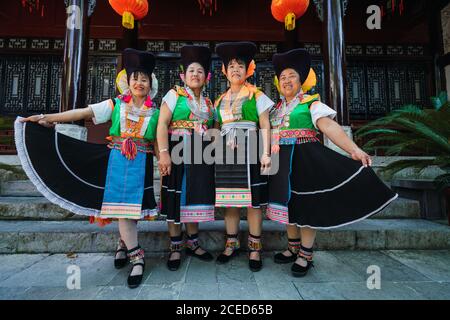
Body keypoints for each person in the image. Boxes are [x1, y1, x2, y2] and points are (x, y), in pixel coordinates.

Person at [16, 48, 160, 288]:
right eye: (135, 78)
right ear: (127, 81)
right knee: (123, 210)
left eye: (144, 79)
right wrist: (48, 117)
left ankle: (123, 244)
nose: (139, 83)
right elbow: (83, 112)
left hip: (141, 164)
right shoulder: (115, 105)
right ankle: (137, 256)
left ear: (150, 84)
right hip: (115, 163)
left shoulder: (155, 112)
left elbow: (158, 142)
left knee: (131, 211)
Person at [267, 48, 398, 277]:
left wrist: (354, 149)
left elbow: (329, 127)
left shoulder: (311, 103)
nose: (287, 81)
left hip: (306, 159)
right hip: (281, 161)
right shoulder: (275, 109)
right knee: (287, 203)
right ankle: (292, 246)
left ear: (302, 81)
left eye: (292, 76)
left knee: (307, 205)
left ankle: (306, 254)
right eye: (283, 77)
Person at [213, 42, 274, 272]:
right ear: (224, 71)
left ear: (248, 70)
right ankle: (231, 243)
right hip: (227, 153)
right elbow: (216, 129)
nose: (236, 69)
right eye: (231, 66)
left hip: (252, 148)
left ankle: (255, 247)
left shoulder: (257, 95)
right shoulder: (219, 101)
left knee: (253, 202)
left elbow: (266, 124)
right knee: (230, 201)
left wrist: (266, 153)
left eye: (240, 65)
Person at [157, 45, 216, 271]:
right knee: (175, 196)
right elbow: (162, 124)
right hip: (176, 151)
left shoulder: (209, 104)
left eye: (200, 71)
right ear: (183, 75)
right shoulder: (174, 95)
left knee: (194, 195)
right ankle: (175, 246)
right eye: (191, 70)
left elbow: (213, 130)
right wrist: (164, 153)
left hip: (201, 154)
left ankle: (193, 242)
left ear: (206, 77)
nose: (195, 74)